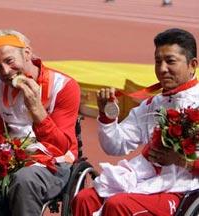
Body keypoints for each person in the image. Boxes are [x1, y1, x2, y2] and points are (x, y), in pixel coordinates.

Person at [72, 28, 199, 215]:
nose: (162, 69)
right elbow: (115, 146)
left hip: (183, 189)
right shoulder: (151, 104)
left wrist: (180, 161)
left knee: (118, 205)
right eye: (158, 62)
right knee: (85, 199)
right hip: (145, 180)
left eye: (170, 61)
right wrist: (107, 114)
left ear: (192, 64)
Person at [0, 29, 81, 216]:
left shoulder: (63, 86)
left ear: (26, 53)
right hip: (13, 158)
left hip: (55, 163)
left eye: (9, 61)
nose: (5, 71)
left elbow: (60, 147)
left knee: (24, 179)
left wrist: (37, 110)